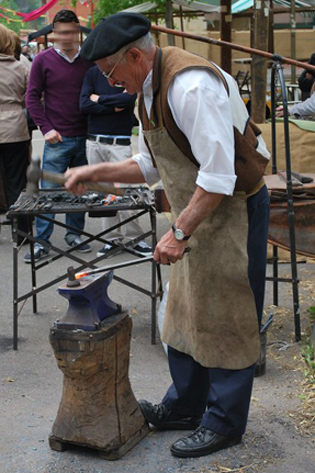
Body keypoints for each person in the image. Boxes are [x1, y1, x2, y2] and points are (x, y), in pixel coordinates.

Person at [65, 13, 270, 458]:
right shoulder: (147, 88)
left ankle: (224, 422)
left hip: (231, 210)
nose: (109, 81)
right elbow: (151, 163)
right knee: (184, 312)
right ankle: (185, 406)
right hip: (199, 211)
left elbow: (218, 175)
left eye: (110, 71)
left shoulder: (189, 86)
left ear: (135, 55)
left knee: (226, 315)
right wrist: (95, 170)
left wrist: (177, 231)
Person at [23, 9, 92, 263]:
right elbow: (31, 97)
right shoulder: (43, 60)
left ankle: (74, 235)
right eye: (60, 32)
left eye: (70, 31)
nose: (66, 37)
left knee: (79, 190)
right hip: (57, 139)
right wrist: (46, 128)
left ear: (77, 31)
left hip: (85, 136)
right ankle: (42, 242)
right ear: (53, 34)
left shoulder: (90, 59)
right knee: (49, 193)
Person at [80, 65, 152, 257]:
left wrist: (100, 99)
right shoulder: (92, 73)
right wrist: (113, 106)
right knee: (103, 192)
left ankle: (136, 239)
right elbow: (84, 104)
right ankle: (110, 239)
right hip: (94, 141)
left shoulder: (123, 71)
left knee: (126, 190)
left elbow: (128, 99)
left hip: (119, 142)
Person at [0, 24, 30, 238]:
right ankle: (21, 232)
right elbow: (32, 97)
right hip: (15, 128)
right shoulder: (21, 67)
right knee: (17, 181)